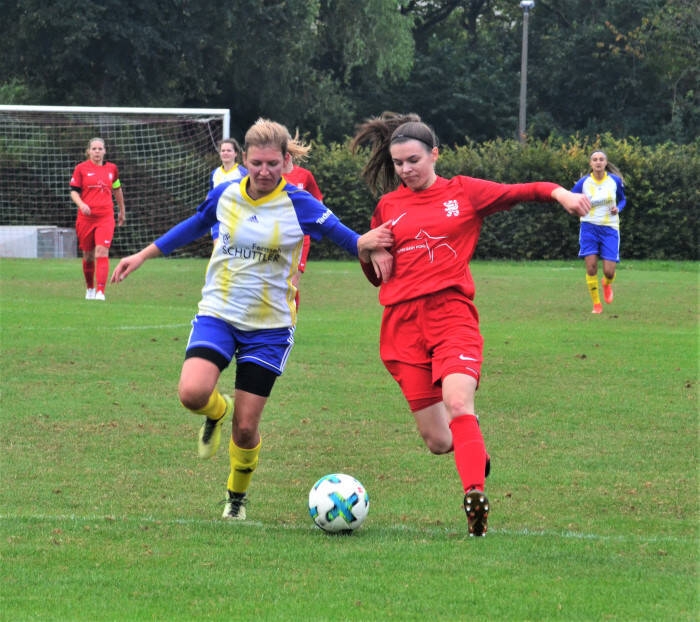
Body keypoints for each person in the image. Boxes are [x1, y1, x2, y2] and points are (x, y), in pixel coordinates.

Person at [110, 118, 393, 521]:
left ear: (286, 163)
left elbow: (346, 238)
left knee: (245, 428)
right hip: (219, 314)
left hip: (270, 328)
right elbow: (195, 225)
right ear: (244, 159)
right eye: (256, 163)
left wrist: (369, 244)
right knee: (192, 393)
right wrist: (142, 255)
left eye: (272, 164)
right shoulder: (226, 194)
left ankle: (236, 500)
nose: (263, 171)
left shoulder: (300, 204)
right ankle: (215, 411)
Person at [351, 112, 591, 536]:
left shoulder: (463, 192)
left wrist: (561, 195)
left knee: (460, 403)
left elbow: (523, 190)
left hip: (452, 316)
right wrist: (365, 250)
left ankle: (474, 497)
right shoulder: (388, 207)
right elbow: (377, 277)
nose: (405, 170)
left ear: (435, 154)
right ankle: (473, 452)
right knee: (438, 441)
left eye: (413, 161)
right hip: (402, 327)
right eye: (399, 163)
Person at [69, 137, 126, 300]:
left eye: (100, 149)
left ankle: (101, 291)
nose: (97, 152)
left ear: (104, 151)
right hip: (86, 219)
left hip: (105, 217)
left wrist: (122, 210)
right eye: (94, 149)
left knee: (102, 251)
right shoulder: (81, 169)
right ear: (88, 151)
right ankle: (90, 289)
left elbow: (117, 189)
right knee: (88, 255)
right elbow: (74, 191)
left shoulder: (112, 169)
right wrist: (81, 204)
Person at [571, 150, 626, 314]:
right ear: (591, 163)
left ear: (605, 163)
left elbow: (623, 199)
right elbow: (571, 198)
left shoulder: (614, 181)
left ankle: (607, 283)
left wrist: (618, 208)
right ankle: (596, 304)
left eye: (601, 159)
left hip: (610, 228)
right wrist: (578, 209)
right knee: (591, 268)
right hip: (589, 227)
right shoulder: (584, 183)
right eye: (595, 159)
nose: (598, 162)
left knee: (609, 272)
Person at [282, 132, 325, 307]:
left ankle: (291, 322)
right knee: (277, 284)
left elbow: (318, 203)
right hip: (276, 237)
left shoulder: (305, 175)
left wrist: (318, 225)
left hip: (300, 238)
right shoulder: (272, 177)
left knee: (293, 283)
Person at [209, 138, 246, 241]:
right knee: (217, 247)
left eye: (229, 150)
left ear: (235, 153)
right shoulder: (214, 173)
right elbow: (210, 194)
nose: (225, 153)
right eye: (223, 150)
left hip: (237, 219)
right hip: (217, 219)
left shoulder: (243, 173)